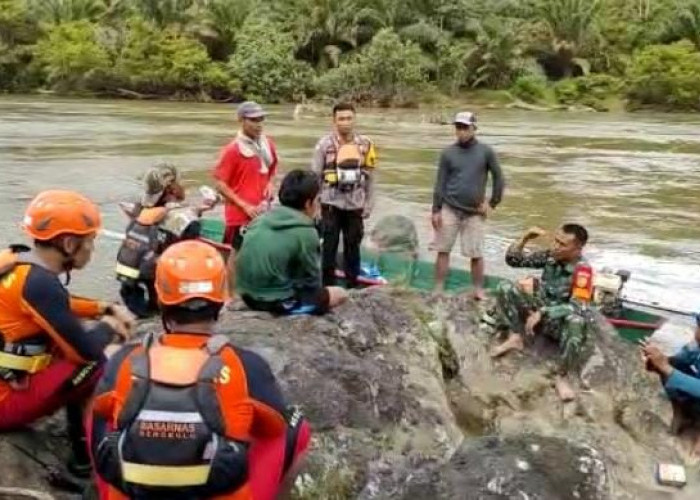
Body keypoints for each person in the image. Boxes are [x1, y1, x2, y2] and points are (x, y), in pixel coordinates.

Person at [88, 240, 310, 499]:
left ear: (161, 299)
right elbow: (273, 428)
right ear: (220, 301)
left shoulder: (126, 359)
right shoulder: (247, 364)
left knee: (99, 411)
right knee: (294, 425)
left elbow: (101, 409)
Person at [0, 190, 134, 476]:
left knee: (67, 348)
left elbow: (55, 305)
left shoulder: (18, 265)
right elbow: (87, 352)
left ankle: (83, 458)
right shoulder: (41, 284)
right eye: (90, 242)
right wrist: (110, 327)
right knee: (97, 363)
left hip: (9, 382)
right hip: (5, 403)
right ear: (70, 243)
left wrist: (101, 307)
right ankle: (91, 460)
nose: (92, 250)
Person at [489, 224, 591, 401]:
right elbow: (514, 261)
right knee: (505, 287)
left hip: (558, 322)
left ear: (577, 248)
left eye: (562, 244)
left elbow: (578, 307)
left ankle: (561, 376)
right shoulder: (551, 256)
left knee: (577, 322)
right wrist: (525, 238)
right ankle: (515, 338)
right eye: (556, 241)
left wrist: (543, 312)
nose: (556, 246)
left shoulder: (583, 271)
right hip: (537, 311)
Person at [236, 170, 348, 316]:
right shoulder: (306, 232)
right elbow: (312, 282)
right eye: (317, 200)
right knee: (340, 293)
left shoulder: (260, 220)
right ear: (308, 203)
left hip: (246, 296)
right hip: (274, 302)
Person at [116, 164, 216, 318]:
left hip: (133, 294)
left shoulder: (139, 210)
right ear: (173, 189)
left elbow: (168, 213)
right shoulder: (186, 220)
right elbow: (190, 260)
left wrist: (198, 209)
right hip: (164, 293)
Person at [431, 111, 505, 299]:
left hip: (474, 212)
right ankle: (438, 287)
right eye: (458, 127)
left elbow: (499, 178)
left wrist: (493, 203)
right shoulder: (448, 153)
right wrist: (436, 209)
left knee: (476, 253)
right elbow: (440, 182)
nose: (461, 131)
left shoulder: (486, 151)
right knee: (443, 249)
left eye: (465, 128)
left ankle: (478, 289)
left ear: (474, 128)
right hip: (450, 207)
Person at [213, 101, 278, 296]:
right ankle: (231, 297)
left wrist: (270, 184)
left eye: (261, 120)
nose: (259, 124)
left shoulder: (267, 144)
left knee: (260, 250)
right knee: (236, 254)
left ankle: (254, 289)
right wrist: (244, 205)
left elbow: (273, 169)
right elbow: (220, 183)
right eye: (253, 120)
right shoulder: (232, 150)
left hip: (262, 210)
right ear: (241, 120)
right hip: (239, 214)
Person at [311, 102, 377, 289]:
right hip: (330, 204)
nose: (346, 122)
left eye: (349, 118)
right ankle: (327, 288)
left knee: (353, 247)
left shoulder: (365, 145)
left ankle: (352, 286)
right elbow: (315, 176)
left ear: (354, 119)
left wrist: (369, 204)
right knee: (328, 248)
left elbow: (371, 177)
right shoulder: (324, 145)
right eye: (341, 119)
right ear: (334, 121)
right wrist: (314, 206)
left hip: (355, 205)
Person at [642, 315, 700, 454]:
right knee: (667, 369)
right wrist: (657, 359)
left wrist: (666, 367)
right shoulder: (696, 346)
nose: (696, 330)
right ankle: (681, 413)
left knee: (669, 370)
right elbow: (680, 360)